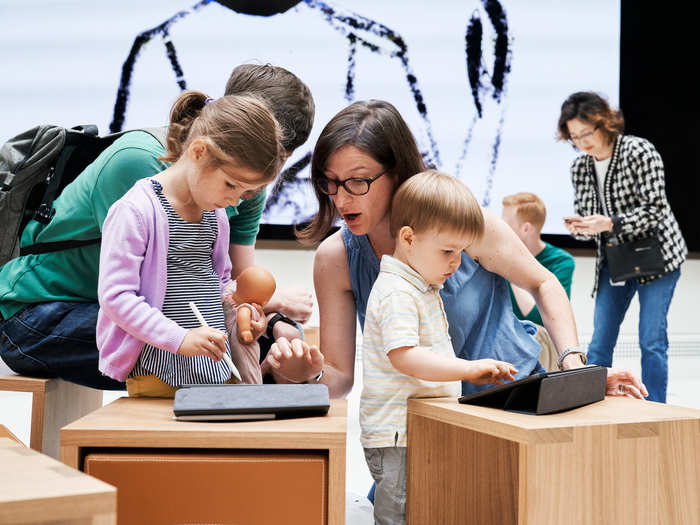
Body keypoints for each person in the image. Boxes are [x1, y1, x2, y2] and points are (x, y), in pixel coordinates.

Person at [267, 99, 647, 402]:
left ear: (398, 171)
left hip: (514, 395)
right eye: (330, 183)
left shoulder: (464, 220)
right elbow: (340, 379)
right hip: (426, 416)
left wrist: (574, 367)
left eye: (358, 181)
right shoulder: (335, 258)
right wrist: (305, 375)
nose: (342, 198)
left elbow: (543, 283)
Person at [0, 64, 315, 389]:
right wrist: (266, 312)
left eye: (281, 158)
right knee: (199, 362)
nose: (246, 195)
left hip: (130, 308)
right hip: (40, 314)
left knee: (267, 350)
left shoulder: (237, 186)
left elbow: (231, 286)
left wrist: (271, 320)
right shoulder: (140, 169)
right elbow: (136, 294)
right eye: (269, 151)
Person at [98, 91, 282, 397]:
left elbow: (218, 283)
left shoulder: (216, 215)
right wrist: (179, 338)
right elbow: (116, 297)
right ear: (198, 152)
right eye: (231, 185)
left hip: (215, 369)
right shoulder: (135, 211)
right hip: (159, 373)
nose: (234, 200)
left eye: (245, 193)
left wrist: (240, 310)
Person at [361, 170, 516, 524]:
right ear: (408, 238)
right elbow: (406, 356)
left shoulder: (421, 286)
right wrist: (469, 367)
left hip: (419, 430)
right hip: (397, 436)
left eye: (462, 252)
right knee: (398, 515)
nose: (457, 262)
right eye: (448, 250)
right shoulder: (398, 292)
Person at [558, 91, 687, 403]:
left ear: (605, 123)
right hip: (615, 260)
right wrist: (583, 228)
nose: (582, 142)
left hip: (658, 258)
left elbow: (656, 210)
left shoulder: (639, 151)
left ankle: (655, 408)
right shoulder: (581, 167)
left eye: (586, 133)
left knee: (651, 340)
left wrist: (610, 223)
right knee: (600, 341)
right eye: (574, 136)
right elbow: (592, 221)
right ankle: (593, 406)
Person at [501, 192, 575, 371]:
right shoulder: (492, 256)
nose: (499, 229)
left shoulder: (560, 262)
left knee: (535, 334)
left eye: (505, 224)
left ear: (526, 229)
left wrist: (510, 266)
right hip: (504, 338)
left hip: (539, 342)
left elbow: (537, 318)